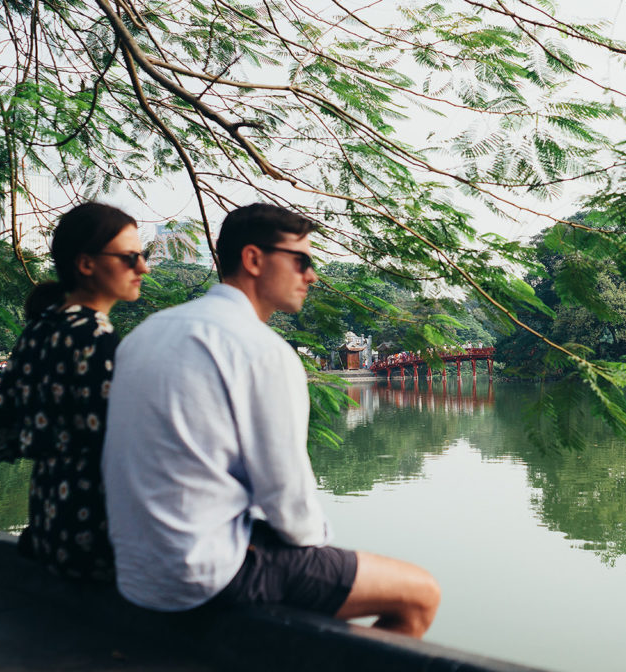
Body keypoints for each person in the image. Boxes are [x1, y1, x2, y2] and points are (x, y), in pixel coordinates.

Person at [102, 204, 440, 637]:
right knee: (419, 593)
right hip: (200, 574)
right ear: (253, 259)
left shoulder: (145, 332)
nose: (311, 275)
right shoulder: (262, 350)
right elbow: (289, 504)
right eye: (301, 261)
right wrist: (318, 553)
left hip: (133, 568)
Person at [0, 202, 150, 580]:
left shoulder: (41, 327)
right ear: (86, 264)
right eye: (129, 257)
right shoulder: (95, 337)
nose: (143, 267)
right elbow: (126, 453)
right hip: (97, 541)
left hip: (48, 528)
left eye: (143, 255)